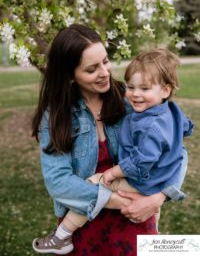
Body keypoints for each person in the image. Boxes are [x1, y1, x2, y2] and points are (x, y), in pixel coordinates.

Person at [32, 24, 188, 256]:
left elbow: (176, 151)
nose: (105, 72)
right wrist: (122, 201)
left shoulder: (132, 98)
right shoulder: (56, 115)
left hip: (136, 220)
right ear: (70, 74)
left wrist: (158, 198)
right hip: (84, 226)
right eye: (92, 68)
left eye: (105, 61)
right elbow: (58, 181)